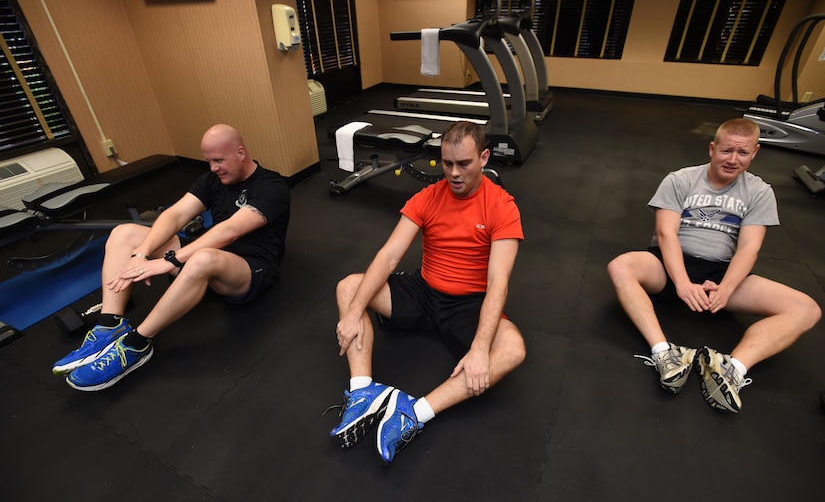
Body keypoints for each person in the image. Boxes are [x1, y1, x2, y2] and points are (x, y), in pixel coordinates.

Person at [327, 121, 526, 465]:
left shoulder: (502, 206)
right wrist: (353, 312)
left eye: (464, 164)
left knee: (512, 350)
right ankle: (363, 391)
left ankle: (414, 412)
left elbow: (498, 283)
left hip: (469, 305)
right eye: (447, 164)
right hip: (423, 291)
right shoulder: (429, 196)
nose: (453, 173)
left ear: (484, 157)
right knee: (348, 287)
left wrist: (479, 349)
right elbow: (389, 255)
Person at [52, 124, 290, 391]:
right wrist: (140, 254)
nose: (213, 168)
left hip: (248, 270)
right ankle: (109, 325)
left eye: (219, 160)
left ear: (241, 152)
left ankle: (136, 344)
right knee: (124, 233)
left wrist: (171, 260)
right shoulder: (213, 180)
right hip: (206, 258)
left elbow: (230, 231)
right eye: (209, 161)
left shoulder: (272, 186)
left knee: (202, 258)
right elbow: (175, 215)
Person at [607, 118, 820, 413]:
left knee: (807, 309)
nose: (733, 160)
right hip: (669, 265)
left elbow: (749, 247)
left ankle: (731, 368)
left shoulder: (759, 192)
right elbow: (667, 234)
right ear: (712, 148)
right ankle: (665, 354)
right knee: (621, 267)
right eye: (726, 151)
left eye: (743, 153)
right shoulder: (680, 180)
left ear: (754, 153)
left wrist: (726, 287)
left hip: (721, 273)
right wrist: (681, 282)